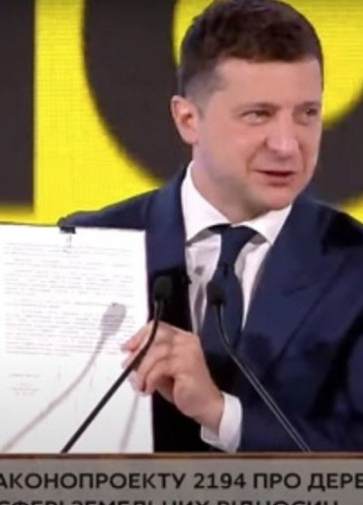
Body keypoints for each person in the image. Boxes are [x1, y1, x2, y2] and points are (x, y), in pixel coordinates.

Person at [61, 0, 363, 452]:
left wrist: (222, 414)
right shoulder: (87, 248)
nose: (287, 145)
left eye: (307, 114)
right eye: (258, 114)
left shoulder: (354, 265)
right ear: (188, 120)